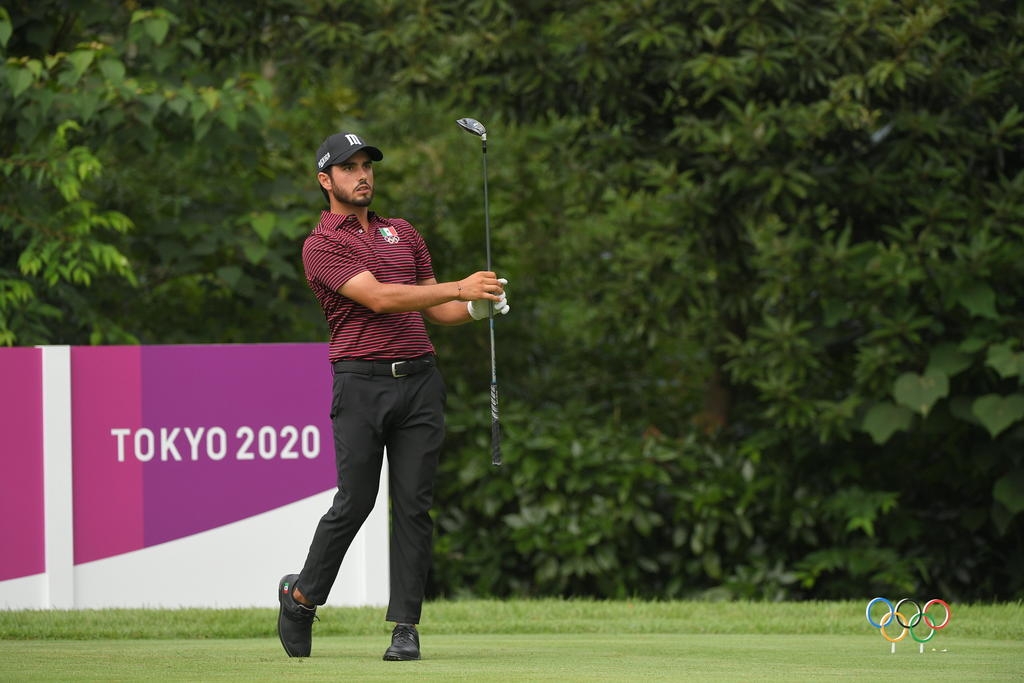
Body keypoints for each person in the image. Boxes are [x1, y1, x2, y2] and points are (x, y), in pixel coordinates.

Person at [277, 131, 509, 662]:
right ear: (325, 180)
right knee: (355, 502)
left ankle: (405, 627)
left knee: (413, 508)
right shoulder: (321, 244)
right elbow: (379, 298)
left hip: (421, 383)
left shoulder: (403, 232)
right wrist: (459, 286)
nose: (363, 175)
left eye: (367, 165)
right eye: (349, 167)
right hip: (361, 384)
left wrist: (481, 305)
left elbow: (437, 311)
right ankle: (301, 598)